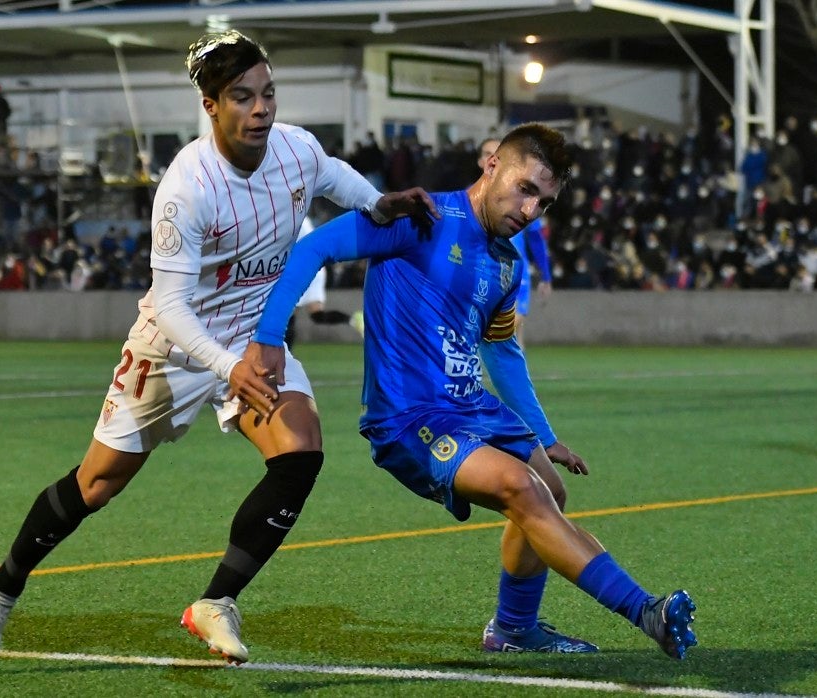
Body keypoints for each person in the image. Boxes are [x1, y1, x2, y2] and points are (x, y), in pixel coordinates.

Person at [0, 30, 437, 669]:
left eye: (268, 93)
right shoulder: (187, 188)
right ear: (211, 105)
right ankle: (3, 586)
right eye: (243, 97)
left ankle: (216, 601)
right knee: (96, 485)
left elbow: (330, 176)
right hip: (175, 348)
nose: (261, 108)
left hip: (252, 338)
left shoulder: (296, 149)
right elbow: (173, 306)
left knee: (301, 452)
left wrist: (379, 204)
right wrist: (225, 366)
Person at [250, 123, 697, 658]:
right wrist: (269, 336)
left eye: (545, 202)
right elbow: (315, 247)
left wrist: (544, 435)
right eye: (526, 189)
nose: (531, 211)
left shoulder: (507, 265)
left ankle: (513, 630)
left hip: (474, 407)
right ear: (492, 166)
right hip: (412, 417)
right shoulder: (419, 218)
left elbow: (503, 356)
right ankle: (645, 610)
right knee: (523, 489)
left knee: (551, 490)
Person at [476, 137, 552, 343]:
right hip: (479, 273)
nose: (492, 158)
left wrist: (545, 275)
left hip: (513, 274)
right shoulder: (468, 199)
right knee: (510, 340)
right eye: (487, 154)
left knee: (507, 331)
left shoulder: (524, 196)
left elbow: (536, 238)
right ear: (481, 161)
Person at [283, 215, 364, 350]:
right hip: (315, 268)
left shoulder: (293, 220)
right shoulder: (302, 219)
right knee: (316, 315)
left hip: (305, 269)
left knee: (288, 314)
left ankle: (285, 353)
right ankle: (353, 319)